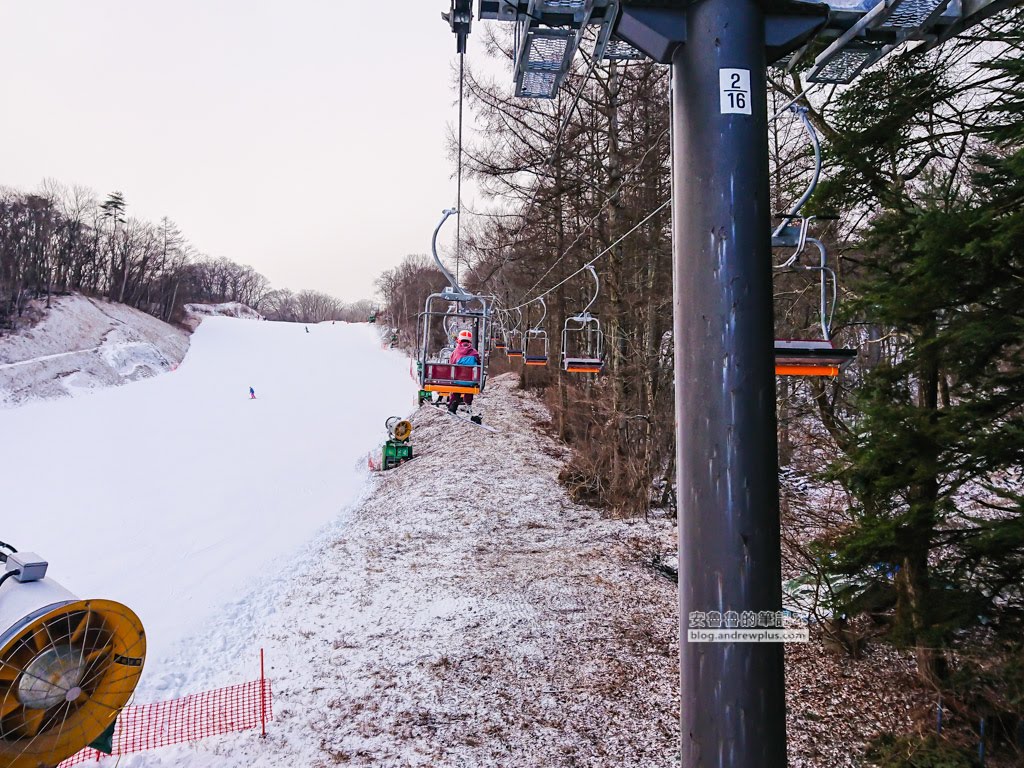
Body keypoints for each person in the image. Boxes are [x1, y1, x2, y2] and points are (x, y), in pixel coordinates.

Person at [448, 329, 479, 414]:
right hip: (470, 381)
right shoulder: (474, 352)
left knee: (456, 390)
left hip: (457, 380)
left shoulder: (455, 352)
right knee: (470, 388)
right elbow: (479, 363)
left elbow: (451, 363)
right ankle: (468, 403)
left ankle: (453, 404)